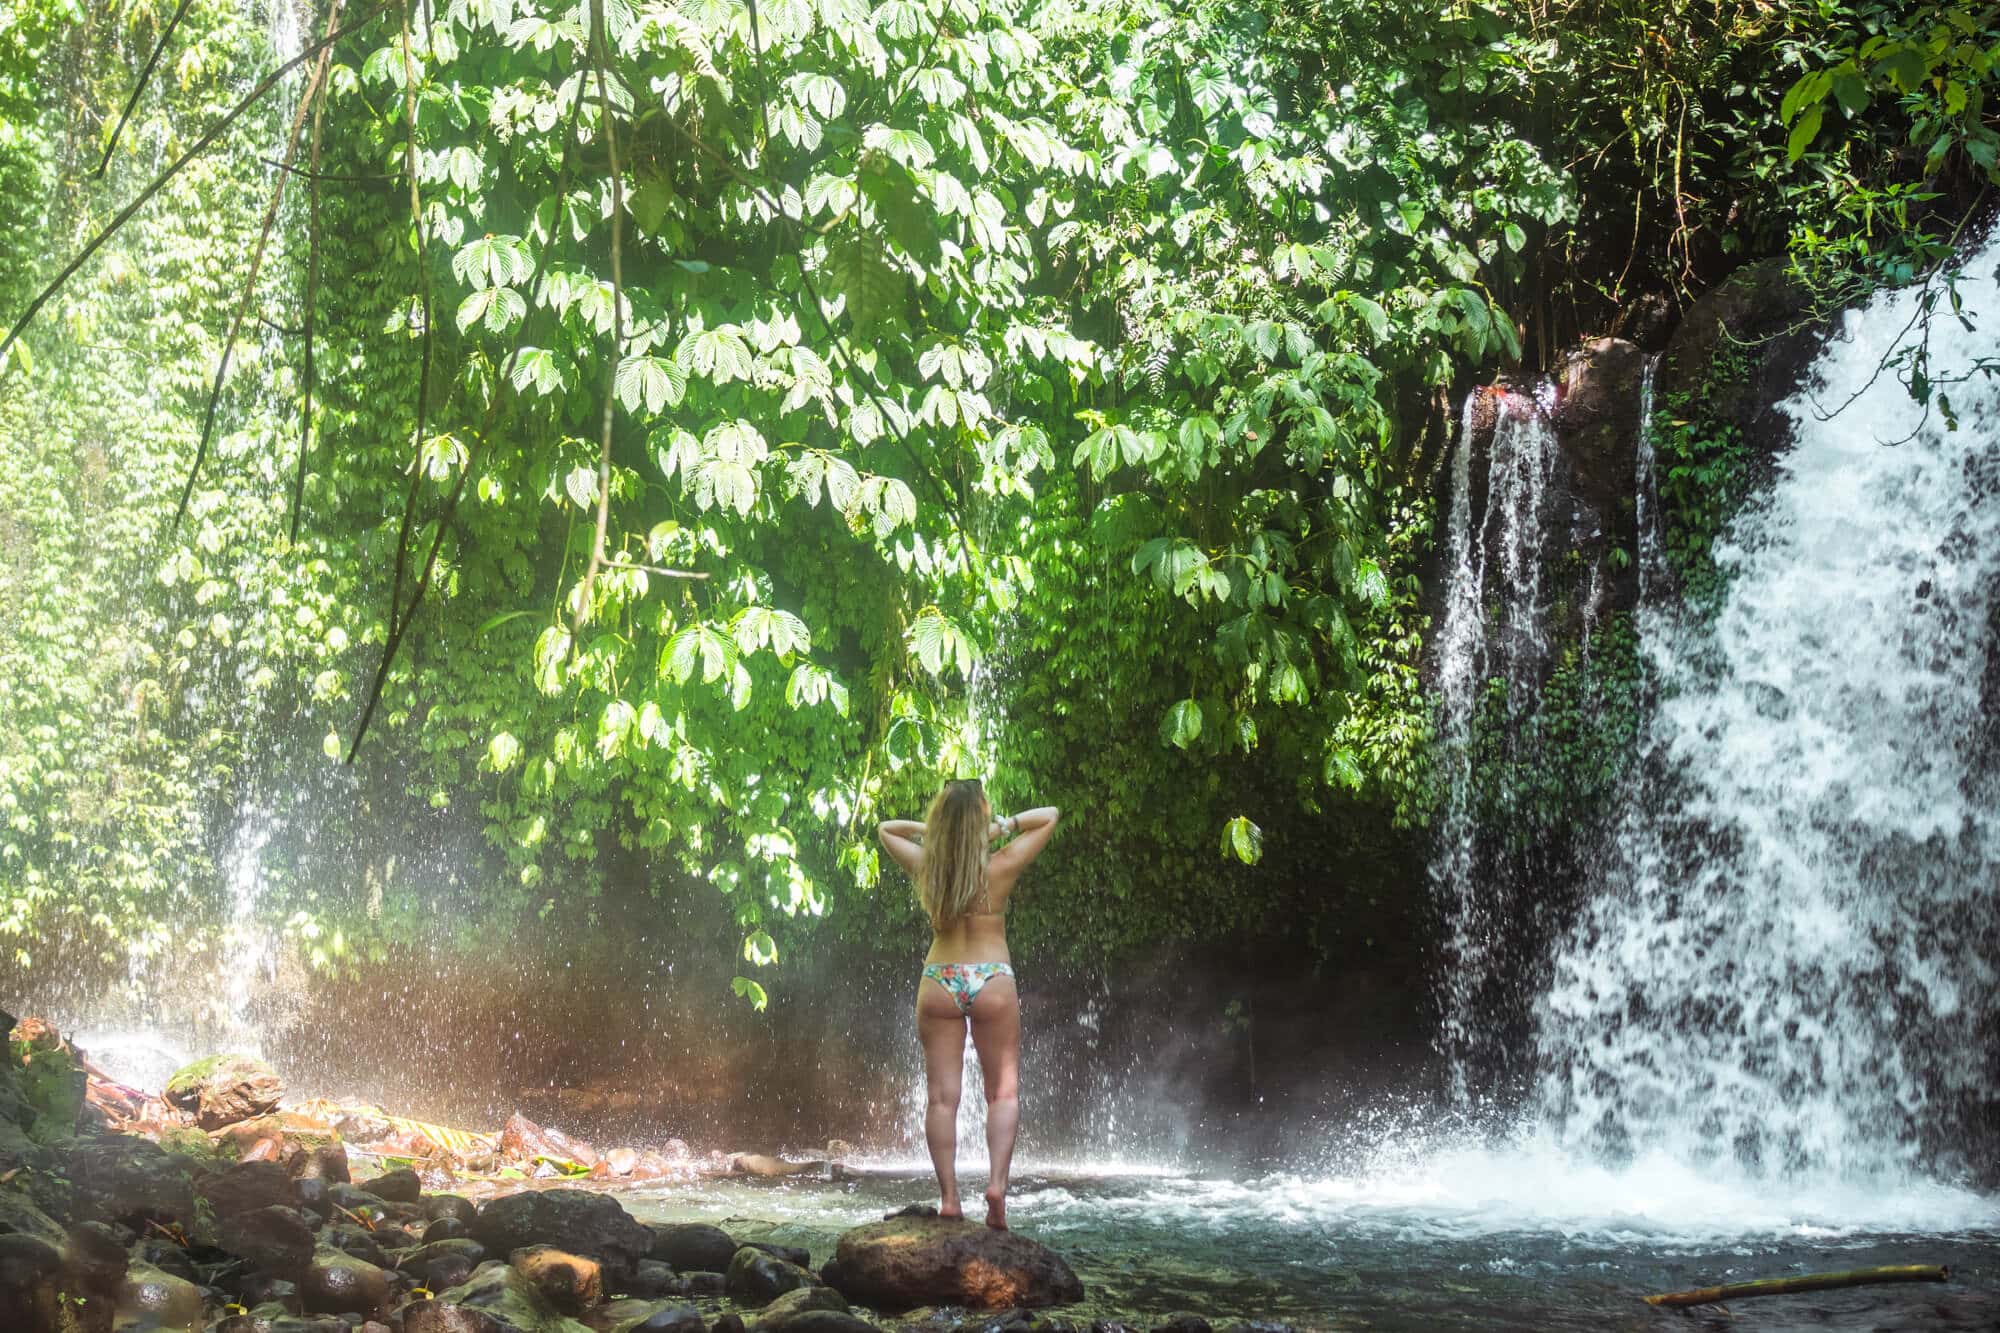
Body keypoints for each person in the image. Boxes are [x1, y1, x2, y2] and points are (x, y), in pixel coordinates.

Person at [878, 781, 1060, 1229]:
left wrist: (942, 834)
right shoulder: (1001, 864)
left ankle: (950, 1199)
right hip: (991, 977)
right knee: (1002, 1093)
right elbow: (1051, 815)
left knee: (942, 1100)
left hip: (940, 979)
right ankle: (997, 1186)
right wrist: (999, 829)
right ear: (982, 818)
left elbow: (886, 830)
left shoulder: (928, 867)